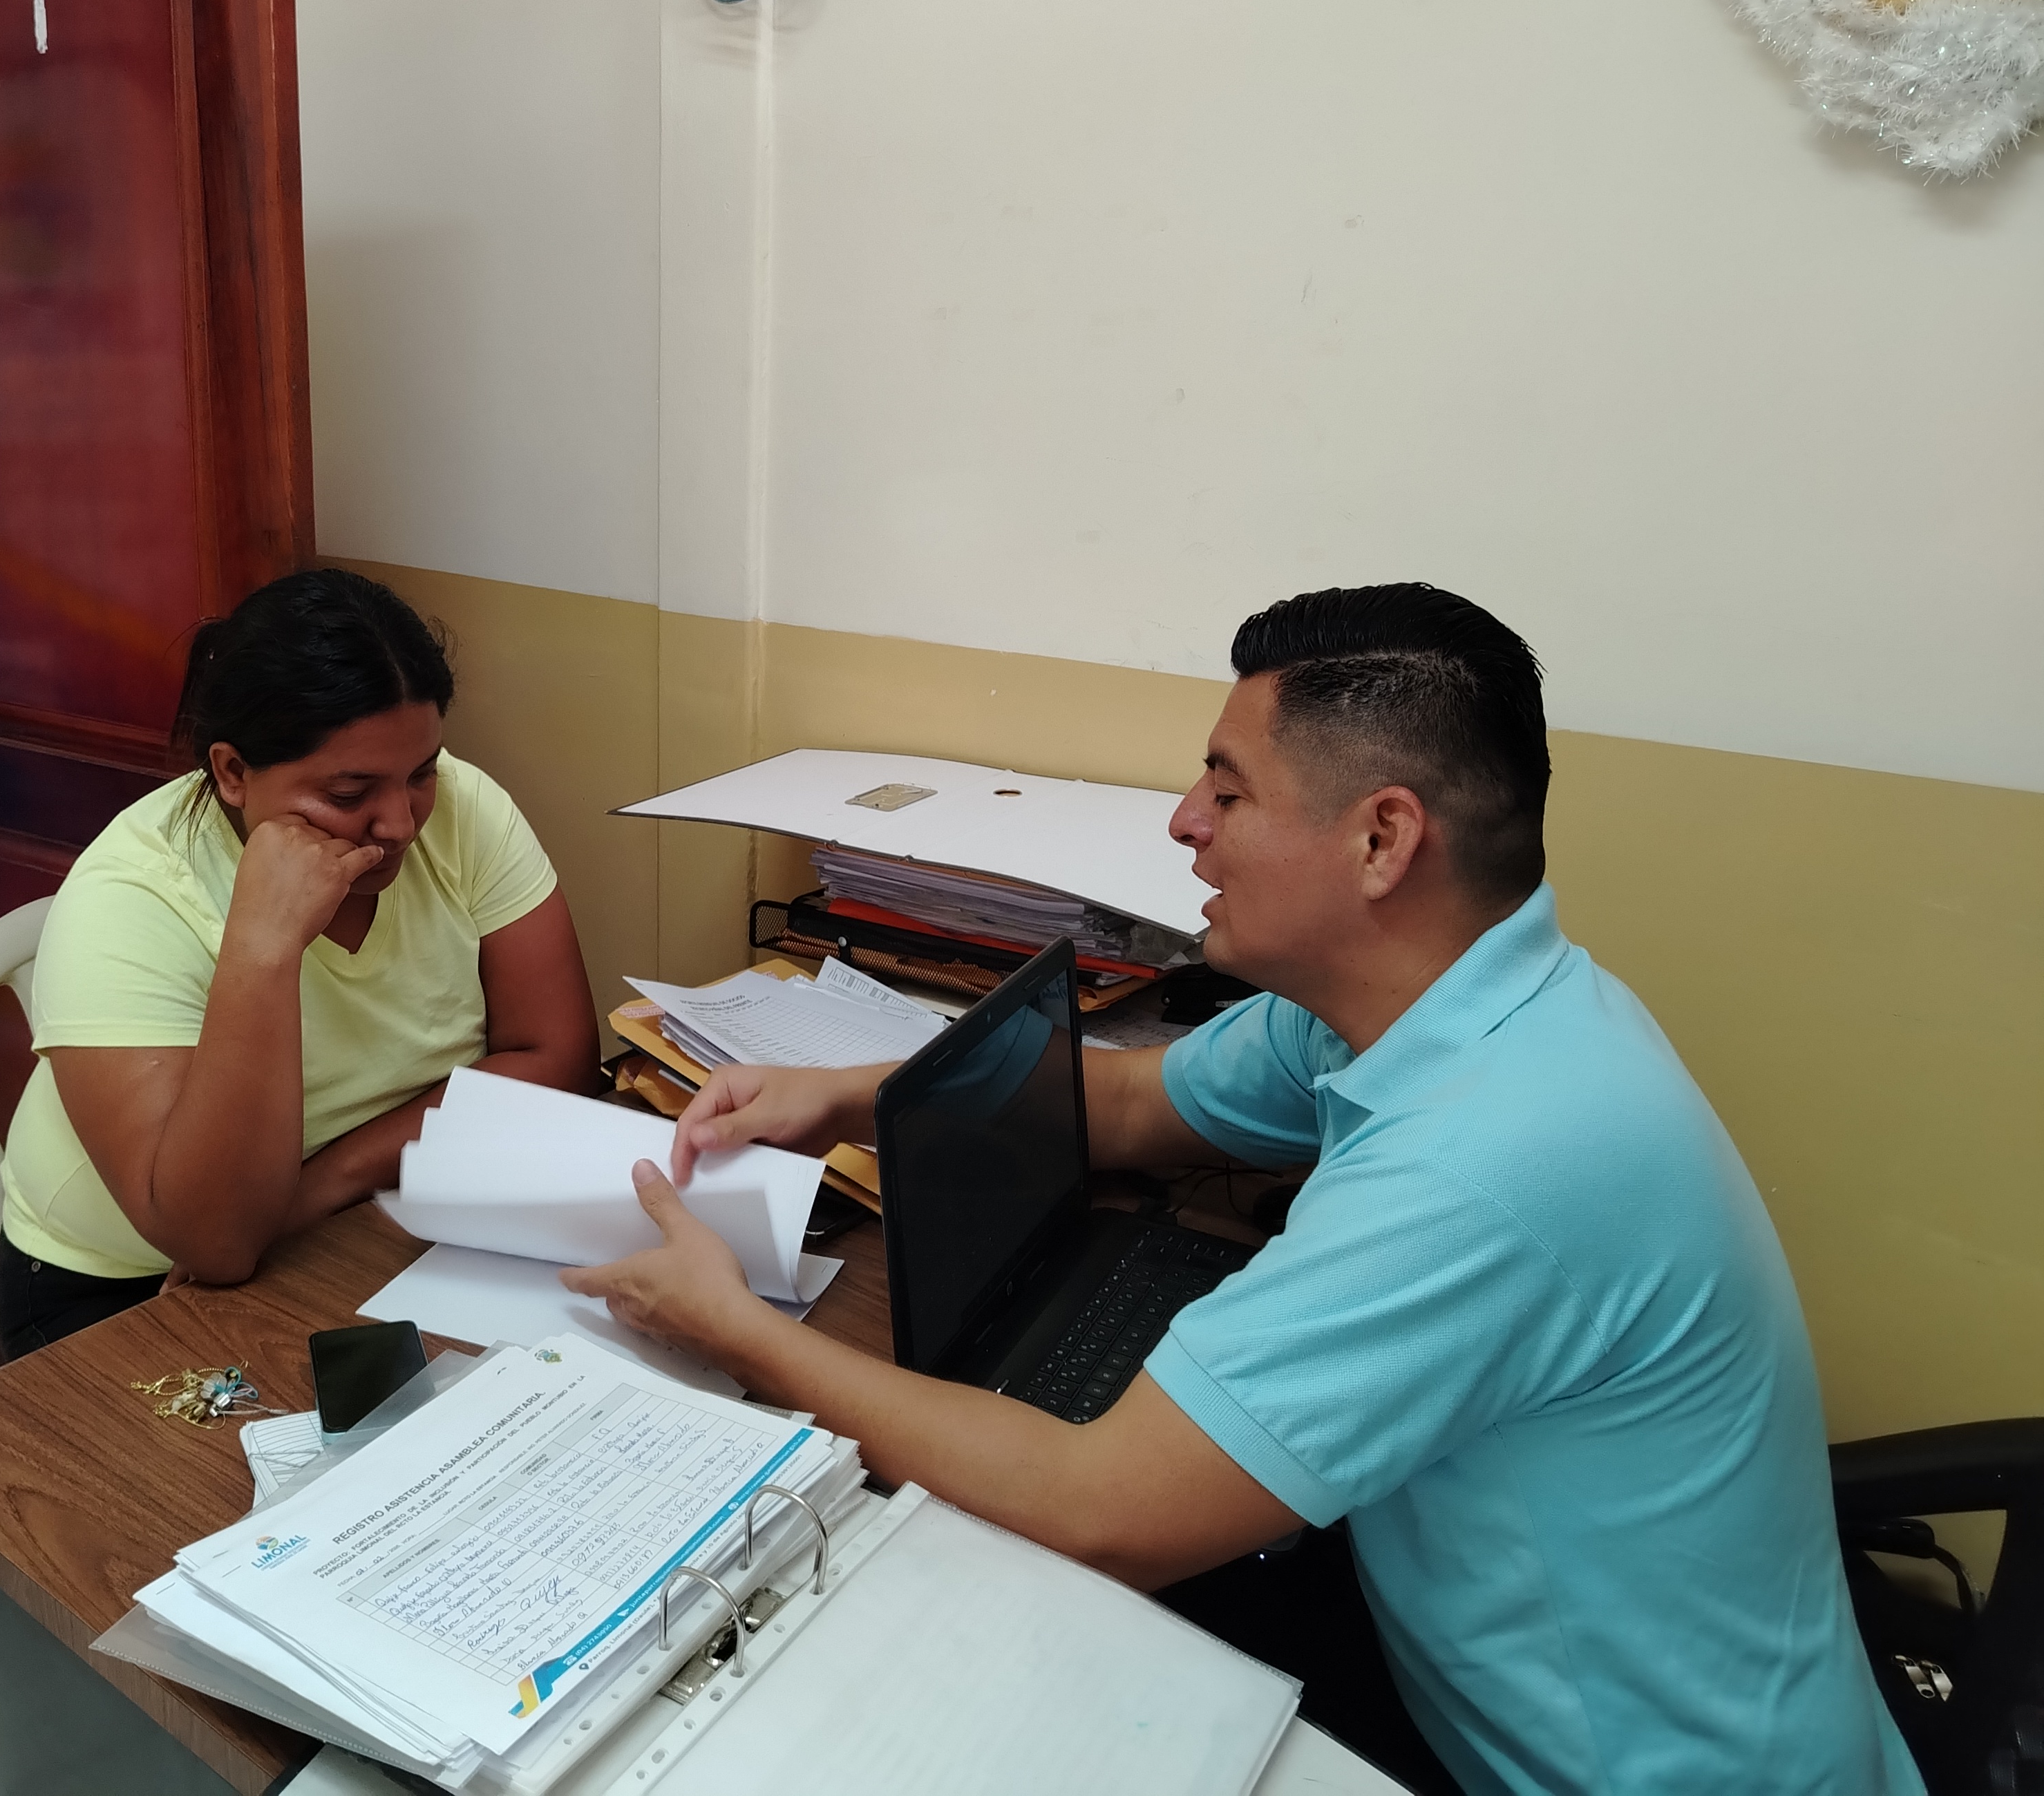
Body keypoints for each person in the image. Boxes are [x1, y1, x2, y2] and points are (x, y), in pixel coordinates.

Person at [565, 584, 1918, 1796]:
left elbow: (1101, 1515)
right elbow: (1130, 1104)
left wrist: (735, 1330)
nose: (1182, 822)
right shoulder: (1444, 998)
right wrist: (846, 1091)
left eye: (1228, 788)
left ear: (1381, 839)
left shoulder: (1483, 1162)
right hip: (1483, 1646)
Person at [0, 567, 601, 1357]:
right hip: (131, 1284)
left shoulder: (463, 804)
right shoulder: (129, 895)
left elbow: (558, 1059)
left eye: (420, 773)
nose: (400, 822)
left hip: (370, 1210)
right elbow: (214, 1242)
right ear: (232, 773)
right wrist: (263, 945)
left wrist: (327, 1182)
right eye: (349, 793)